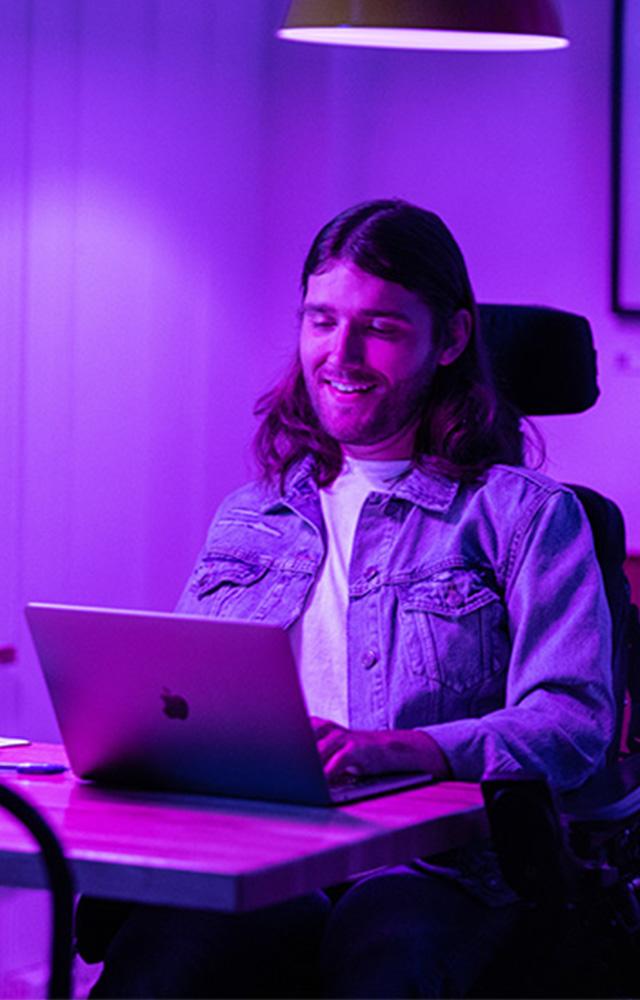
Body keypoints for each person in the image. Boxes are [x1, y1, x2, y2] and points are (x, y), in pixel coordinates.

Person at [85, 199, 614, 998]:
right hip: (266, 854)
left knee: (384, 952)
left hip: (442, 869)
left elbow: (573, 722)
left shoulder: (528, 516)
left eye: (383, 328)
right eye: (322, 320)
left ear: (452, 339)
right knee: (165, 956)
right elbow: (185, 705)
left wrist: (409, 748)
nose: (343, 353)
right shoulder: (252, 513)